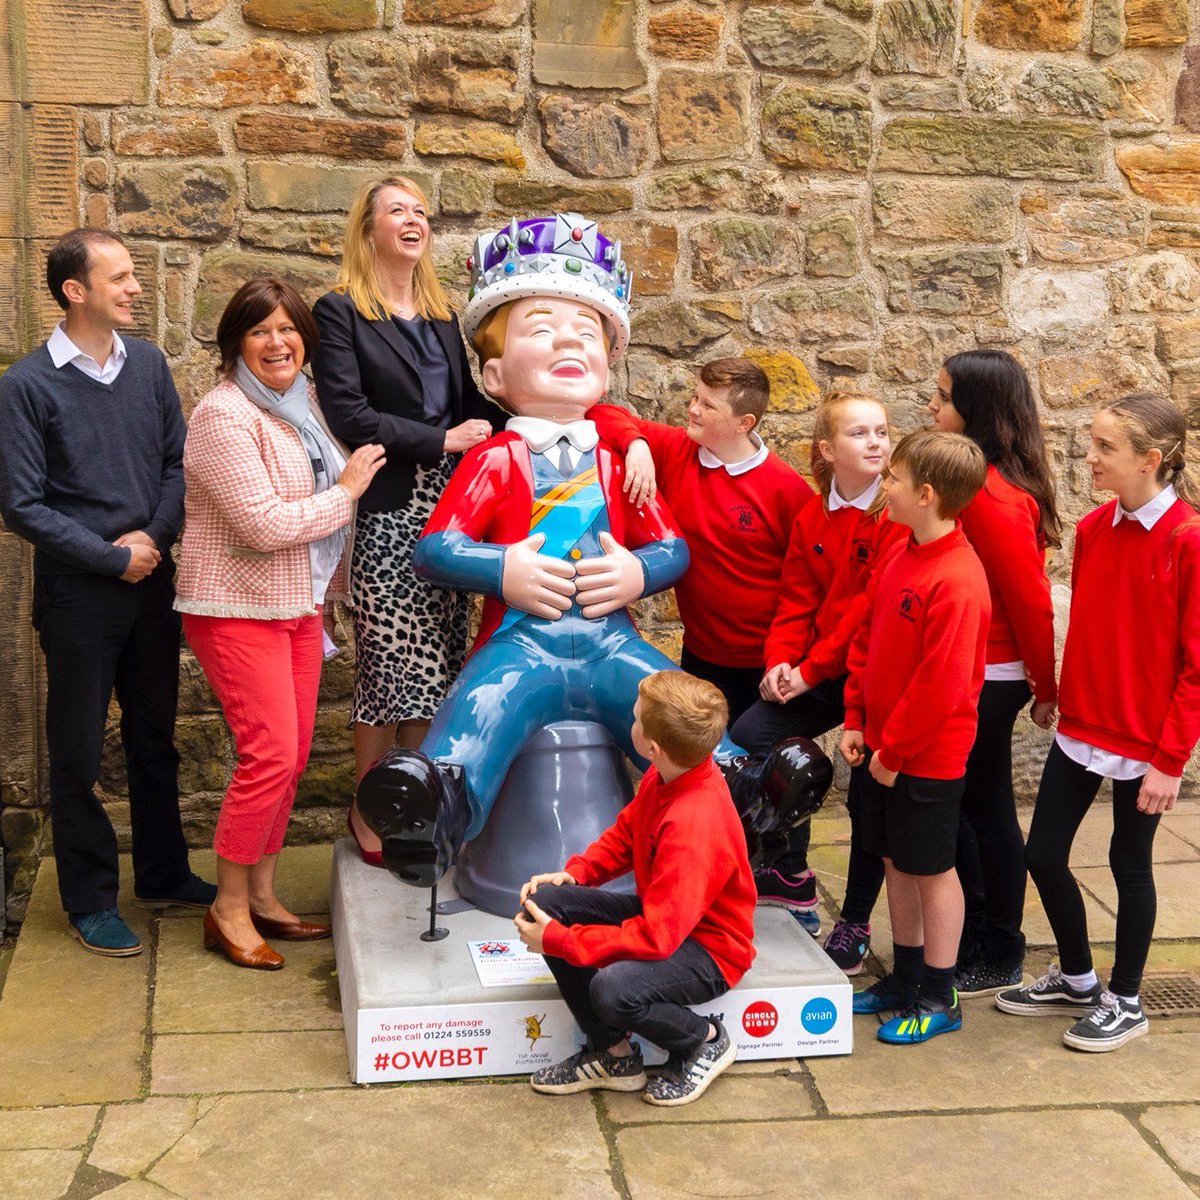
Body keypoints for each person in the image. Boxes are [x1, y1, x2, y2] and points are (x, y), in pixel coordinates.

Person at [355, 212, 831, 888]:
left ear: (609, 364)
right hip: (521, 643)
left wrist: (640, 570)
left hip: (610, 643)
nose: (567, 343)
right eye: (542, 329)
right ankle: (436, 809)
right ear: (493, 375)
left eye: (586, 334)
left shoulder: (617, 465)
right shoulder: (496, 459)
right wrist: (504, 568)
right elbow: (435, 548)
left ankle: (747, 789)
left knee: (672, 705)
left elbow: (672, 546)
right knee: (481, 707)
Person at [0, 228, 214, 957]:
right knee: (77, 751)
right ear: (75, 290)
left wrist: (150, 541)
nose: (134, 287)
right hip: (79, 598)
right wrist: (109, 556)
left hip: (149, 583)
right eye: (119, 277)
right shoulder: (25, 386)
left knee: (155, 736)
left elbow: (176, 465)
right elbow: (22, 506)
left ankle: (162, 872)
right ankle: (90, 899)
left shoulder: (148, 364)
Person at [175, 278, 385, 969]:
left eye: (288, 329)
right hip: (235, 608)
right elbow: (263, 524)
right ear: (236, 341)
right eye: (260, 330)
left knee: (290, 759)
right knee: (266, 758)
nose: (277, 342)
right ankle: (227, 908)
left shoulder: (306, 403)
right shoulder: (223, 416)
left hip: (296, 605)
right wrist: (347, 490)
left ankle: (262, 894)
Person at [311, 175, 507, 865]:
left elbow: (474, 408)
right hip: (392, 508)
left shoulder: (443, 317)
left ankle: (413, 802)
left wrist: (563, 422)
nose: (413, 218)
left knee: (438, 667)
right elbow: (348, 413)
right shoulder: (339, 313)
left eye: (422, 210)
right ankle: (371, 806)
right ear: (369, 229)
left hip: (452, 513)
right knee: (388, 668)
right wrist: (440, 441)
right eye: (398, 209)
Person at [996, 393, 1200, 1052]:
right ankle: (1079, 978)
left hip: (1145, 742)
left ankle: (1128, 998)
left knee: (1127, 863)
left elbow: (1196, 669)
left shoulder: (1188, 540)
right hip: (1082, 724)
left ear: (1151, 459)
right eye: (1092, 443)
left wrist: (1170, 760)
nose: (1089, 458)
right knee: (1043, 852)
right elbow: (1085, 627)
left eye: (1103, 447)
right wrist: (1054, 693)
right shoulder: (1092, 530)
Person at [514, 670, 751, 1106]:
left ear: (651, 746)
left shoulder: (693, 824)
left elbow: (657, 938)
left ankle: (704, 1039)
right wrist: (577, 873)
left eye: (636, 717)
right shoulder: (665, 774)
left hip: (708, 950)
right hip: (667, 920)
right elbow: (627, 835)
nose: (631, 719)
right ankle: (613, 1055)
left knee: (613, 989)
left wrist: (561, 941)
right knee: (543, 905)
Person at [731, 392, 901, 957]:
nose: (875, 441)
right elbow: (796, 597)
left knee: (866, 801)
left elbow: (865, 612)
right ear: (828, 449)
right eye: (859, 433)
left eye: (880, 430)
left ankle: (854, 923)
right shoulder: (813, 512)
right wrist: (780, 661)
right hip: (816, 666)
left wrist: (808, 671)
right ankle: (790, 872)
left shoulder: (892, 516)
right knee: (754, 739)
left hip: (872, 672)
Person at [844, 430, 990, 1045]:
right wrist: (855, 718)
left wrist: (894, 755)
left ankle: (939, 992)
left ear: (926, 494)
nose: (885, 487)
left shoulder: (958, 579)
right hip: (878, 748)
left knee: (931, 869)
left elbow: (943, 687)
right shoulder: (898, 551)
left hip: (921, 760)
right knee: (892, 860)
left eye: (895, 480)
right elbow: (867, 638)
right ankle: (904, 979)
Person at [929, 350, 1060, 997]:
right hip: (972, 671)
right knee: (968, 810)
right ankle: (977, 930)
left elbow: (1031, 600)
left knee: (986, 811)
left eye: (945, 397)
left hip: (991, 675)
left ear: (977, 411)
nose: (933, 407)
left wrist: (1045, 685)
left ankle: (1002, 945)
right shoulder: (971, 480)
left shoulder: (991, 496)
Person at [588, 358, 812, 724]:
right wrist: (637, 445)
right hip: (700, 654)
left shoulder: (786, 490)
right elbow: (600, 412)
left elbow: (810, 582)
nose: (692, 409)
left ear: (744, 423)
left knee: (752, 764)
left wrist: (790, 659)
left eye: (708, 405)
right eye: (695, 397)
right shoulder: (677, 448)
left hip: (766, 664)